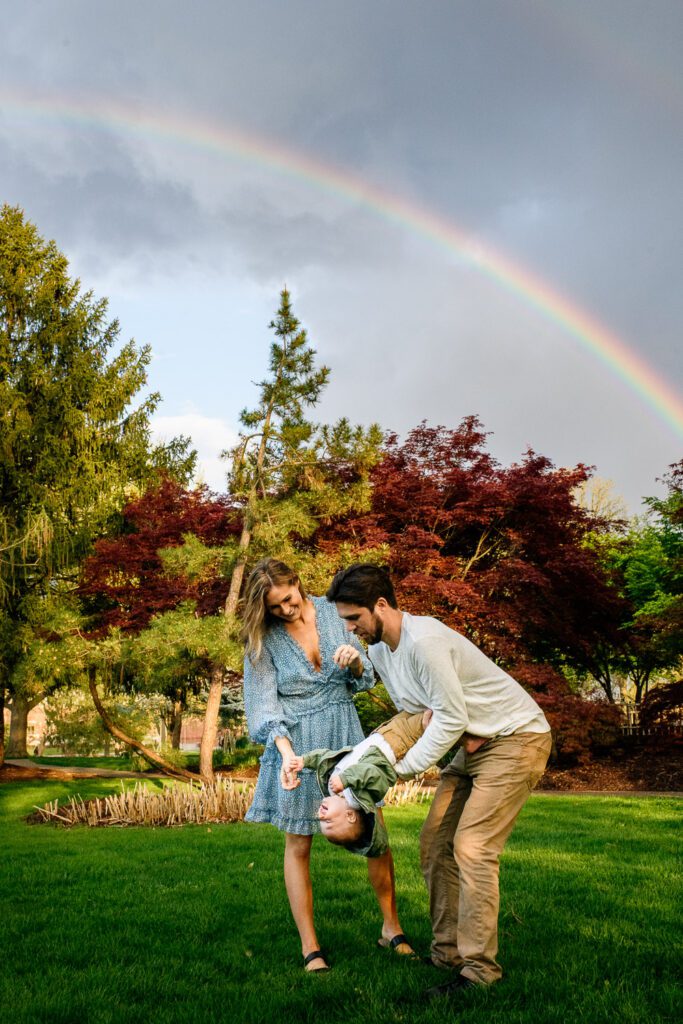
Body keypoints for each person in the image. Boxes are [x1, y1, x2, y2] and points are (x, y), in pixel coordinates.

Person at [326, 563, 552, 1001]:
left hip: (516, 738)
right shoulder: (380, 652)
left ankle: (479, 972)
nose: (351, 629)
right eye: (345, 621)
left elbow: (449, 718)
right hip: (474, 745)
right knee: (434, 843)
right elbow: (420, 712)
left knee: (472, 847)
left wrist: (401, 769)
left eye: (354, 618)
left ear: (381, 605)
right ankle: (448, 954)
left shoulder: (424, 642)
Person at [242, 558, 415, 973]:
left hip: (344, 733)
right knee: (299, 842)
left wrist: (356, 664)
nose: (285, 610)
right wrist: (285, 754)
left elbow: (368, 673)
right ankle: (310, 947)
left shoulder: (336, 613)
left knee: (373, 828)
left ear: (297, 583)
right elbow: (265, 705)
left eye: (287, 599)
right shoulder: (261, 640)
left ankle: (391, 927)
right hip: (296, 743)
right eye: (274, 607)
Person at [283, 709, 433, 857]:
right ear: (350, 816)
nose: (321, 817)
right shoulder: (361, 796)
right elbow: (374, 774)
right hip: (399, 741)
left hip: (383, 732)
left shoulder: (334, 787)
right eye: (328, 821)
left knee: (417, 705)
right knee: (431, 716)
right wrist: (346, 779)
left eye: (321, 822)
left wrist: (305, 760)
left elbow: (327, 757)